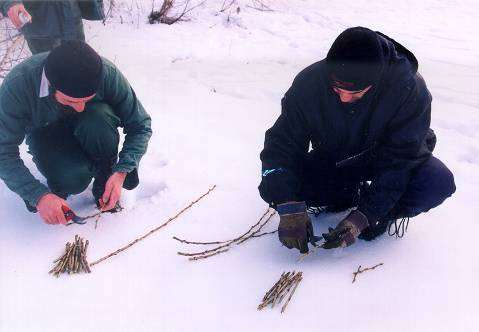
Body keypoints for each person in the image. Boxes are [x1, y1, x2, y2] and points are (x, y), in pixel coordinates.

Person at [259, 27, 456, 253]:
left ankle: (381, 215)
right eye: (337, 89)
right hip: (336, 158)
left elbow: (401, 162)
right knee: (281, 186)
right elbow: (282, 145)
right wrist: (287, 204)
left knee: (436, 182)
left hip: (386, 158)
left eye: (355, 93)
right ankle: (345, 194)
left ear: (376, 81)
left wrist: (366, 216)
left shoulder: (409, 89)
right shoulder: (309, 84)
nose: (344, 98)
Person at [0, 40, 152, 225]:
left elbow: (140, 124)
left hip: (93, 123)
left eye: (86, 100)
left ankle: (105, 176)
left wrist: (122, 170)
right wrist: (38, 196)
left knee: (97, 117)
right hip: (45, 131)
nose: (79, 108)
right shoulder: (18, 87)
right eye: (71, 101)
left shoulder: (106, 73)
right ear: (50, 85)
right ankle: (59, 187)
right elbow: (3, 152)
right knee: (73, 178)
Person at [0, 0, 104, 54]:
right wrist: (11, 3)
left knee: (79, 64)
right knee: (49, 75)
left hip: (71, 18)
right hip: (42, 28)